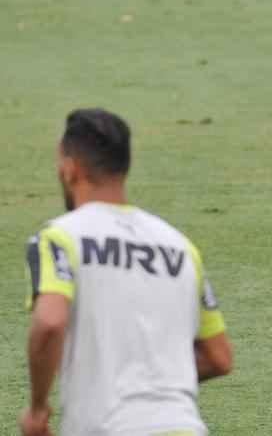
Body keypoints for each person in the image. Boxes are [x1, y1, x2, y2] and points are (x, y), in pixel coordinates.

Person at [20, 109, 232, 436]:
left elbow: (50, 322)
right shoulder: (180, 247)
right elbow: (219, 357)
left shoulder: (60, 238)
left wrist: (36, 411)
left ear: (70, 168)